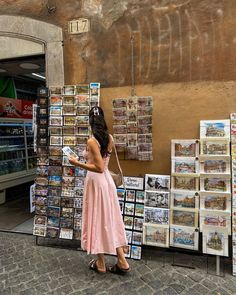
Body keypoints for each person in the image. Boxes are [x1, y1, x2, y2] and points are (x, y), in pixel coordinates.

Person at [68, 106, 130, 275]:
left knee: (97, 219)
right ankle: (122, 261)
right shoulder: (109, 138)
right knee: (110, 219)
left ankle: (101, 263)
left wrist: (76, 163)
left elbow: (99, 167)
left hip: (96, 183)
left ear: (90, 121)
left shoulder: (91, 141)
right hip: (108, 184)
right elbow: (104, 163)